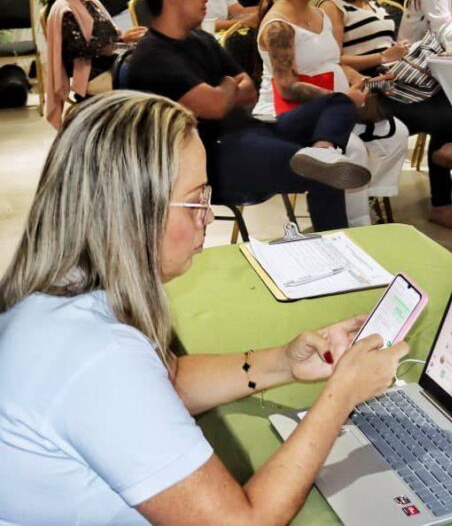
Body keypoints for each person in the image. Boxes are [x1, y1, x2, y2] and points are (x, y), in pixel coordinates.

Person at [0, 91, 406, 525]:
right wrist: (341, 395)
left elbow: (167, 382)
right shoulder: (97, 357)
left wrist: (284, 363)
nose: (208, 216)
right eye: (195, 200)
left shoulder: (59, 294)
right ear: (134, 212)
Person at [126, 0, 367, 231]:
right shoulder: (153, 57)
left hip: (250, 129)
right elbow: (216, 106)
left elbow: (248, 89)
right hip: (212, 156)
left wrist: (224, 88)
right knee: (323, 174)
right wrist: (229, 87)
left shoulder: (199, 39)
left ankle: (323, 150)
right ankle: (335, 248)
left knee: (338, 101)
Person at [319, 0, 452, 231]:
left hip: (394, 77)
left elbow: (386, 44)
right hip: (367, 87)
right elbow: (333, 57)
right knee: (446, 117)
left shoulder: (372, 3)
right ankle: (444, 198)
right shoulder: (332, 7)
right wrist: (382, 57)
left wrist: (403, 55)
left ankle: (449, 187)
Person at [254, 0, 409, 228]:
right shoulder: (279, 26)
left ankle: (361, 207)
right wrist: (341, 99)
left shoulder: (319, 15)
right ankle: (352, 228)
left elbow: (334, 62)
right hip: (289, 112)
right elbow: (287, 87)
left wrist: (359, 80)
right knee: (353, 151)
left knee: (396, 133)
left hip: (332, 106)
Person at [42, 0, 147, 128]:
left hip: (106, 61)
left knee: (152, 61)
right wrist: (116, 40)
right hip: (91, 72)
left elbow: (103, 35)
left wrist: (123, 37)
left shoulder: (88, 0)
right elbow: (80, 48)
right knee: (148, 73)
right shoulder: (64, 9)